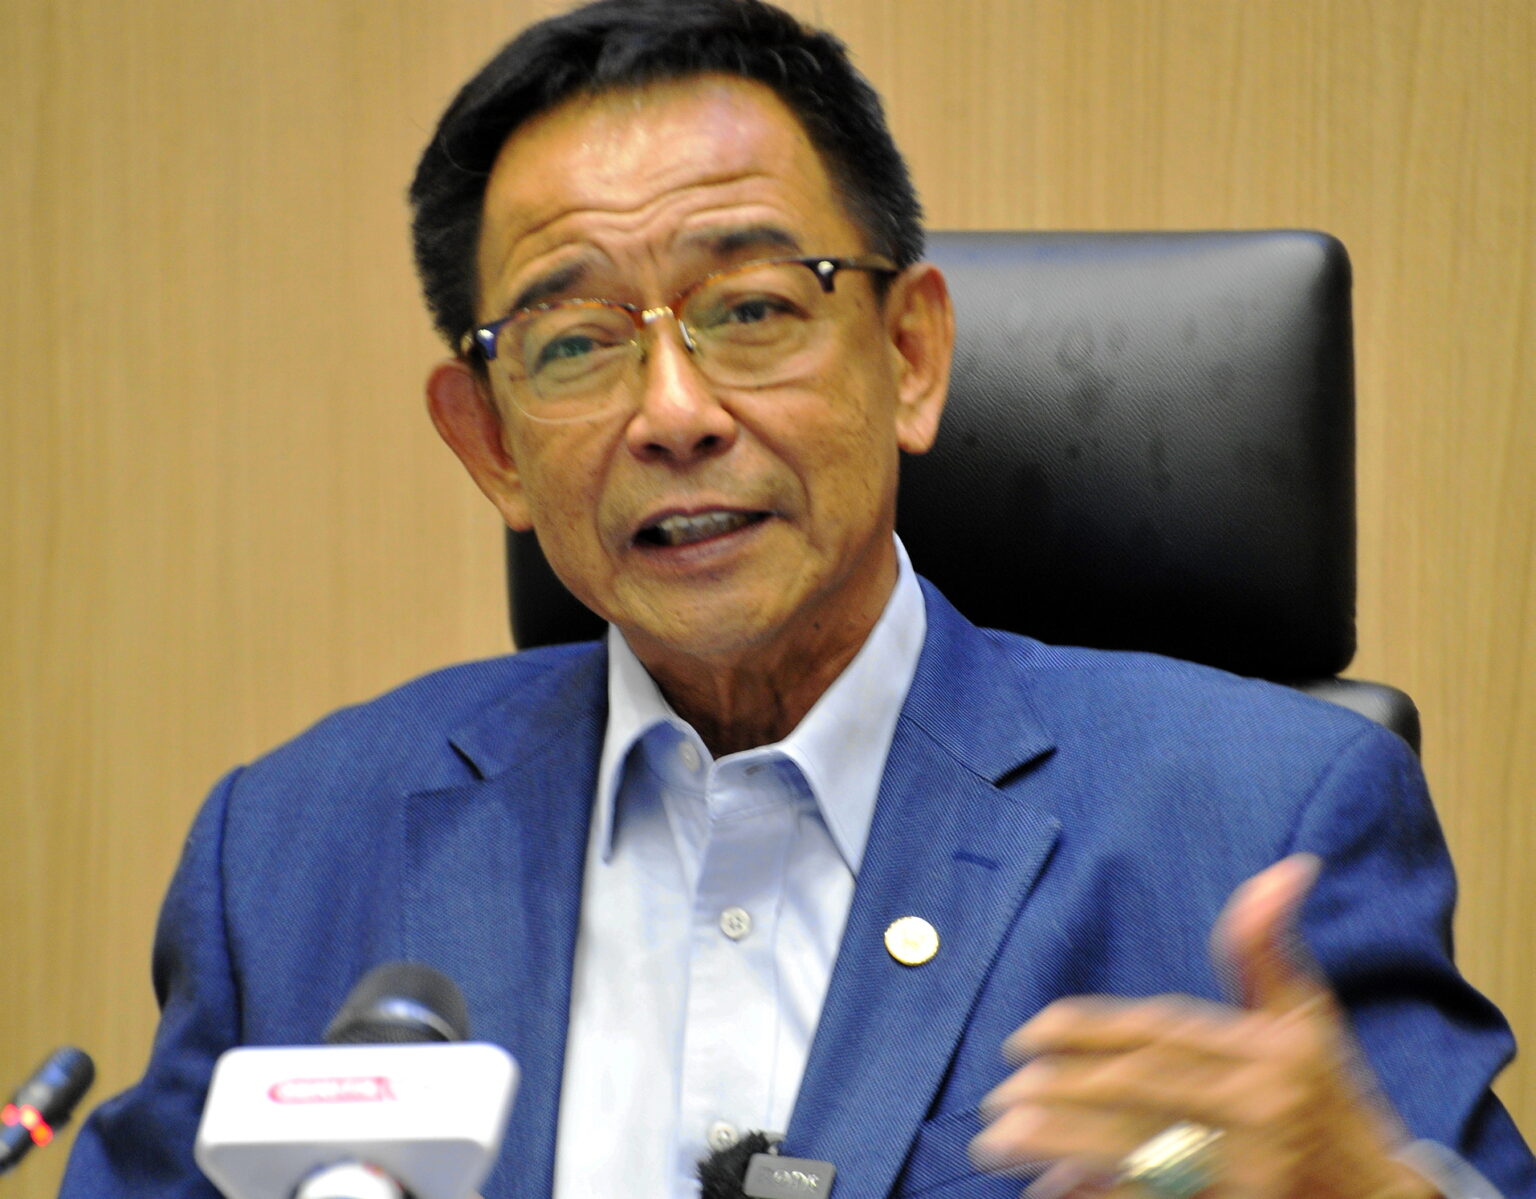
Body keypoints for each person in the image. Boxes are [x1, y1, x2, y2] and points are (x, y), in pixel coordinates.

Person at [61, 1, 1533, 1197]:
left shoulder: (1255, 820)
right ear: (491, 444)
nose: (674, 412)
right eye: (575, 343)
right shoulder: (296, 851)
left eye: (754, 310)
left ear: (911, 355)